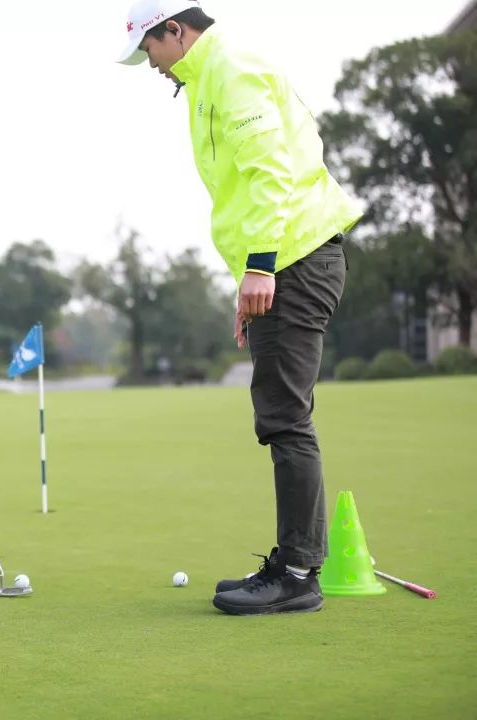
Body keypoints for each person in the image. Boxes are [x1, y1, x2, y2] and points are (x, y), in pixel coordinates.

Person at [117, 0, 362, 615]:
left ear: (175, 30)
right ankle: (294, 559)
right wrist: (250, 280)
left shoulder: (231, 67)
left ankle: (299, 576)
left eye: (149, 48)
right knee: (284, 414)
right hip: (286, 261)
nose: (151, 65)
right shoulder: (210, 76)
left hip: (295, 257)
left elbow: (269, 172)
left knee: (285, 417)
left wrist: (262, 265)